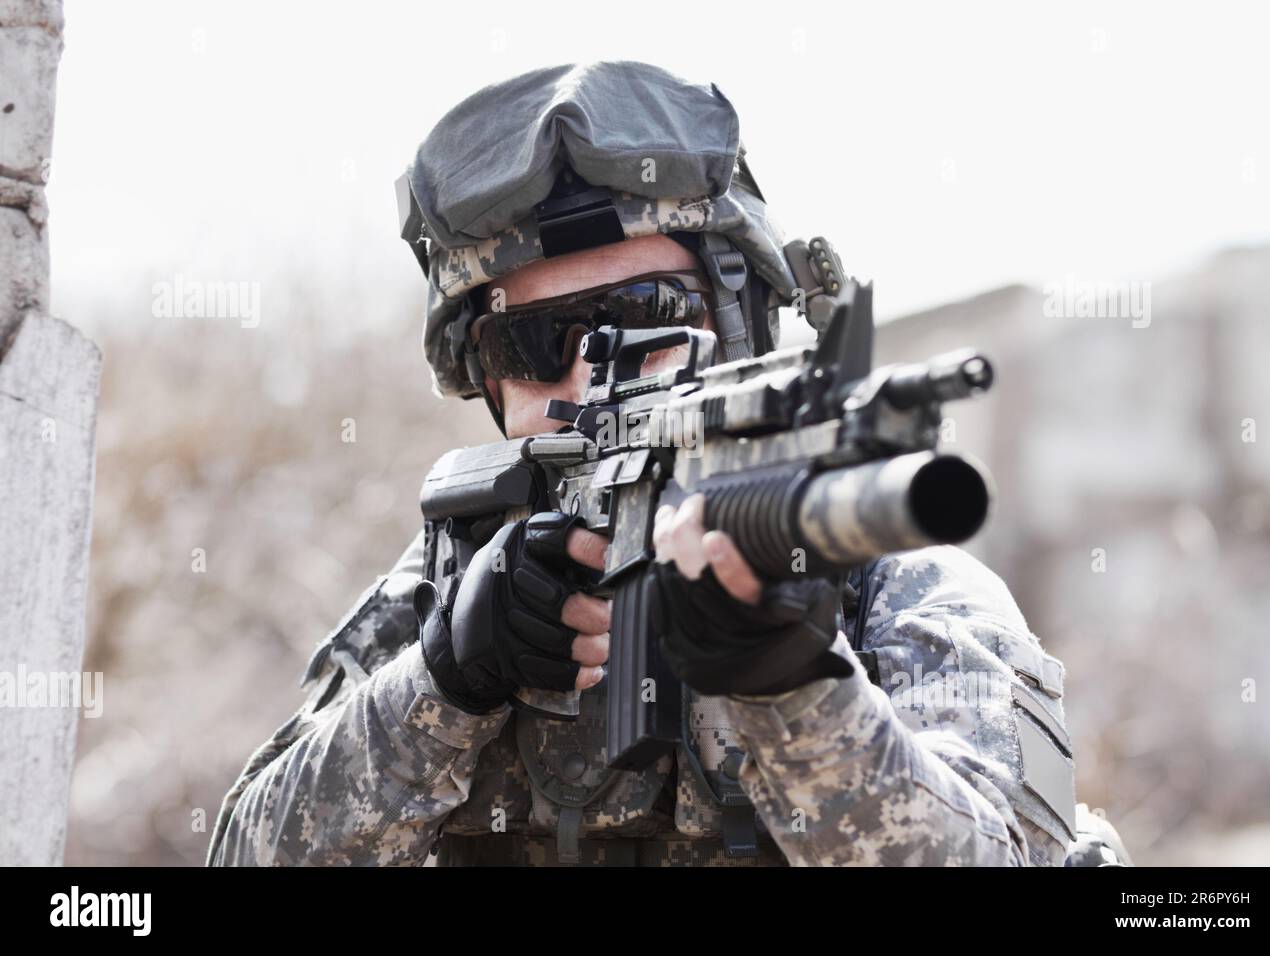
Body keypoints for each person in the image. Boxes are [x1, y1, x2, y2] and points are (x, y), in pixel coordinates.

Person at [207, 61, 1089, 867]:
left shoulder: (888, 586)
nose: (591, 370)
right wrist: (444, 682)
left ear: (735, 329)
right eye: (530, 340)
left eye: (646, 309)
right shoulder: (450, 589)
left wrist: (794, 685)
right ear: (487, 385)